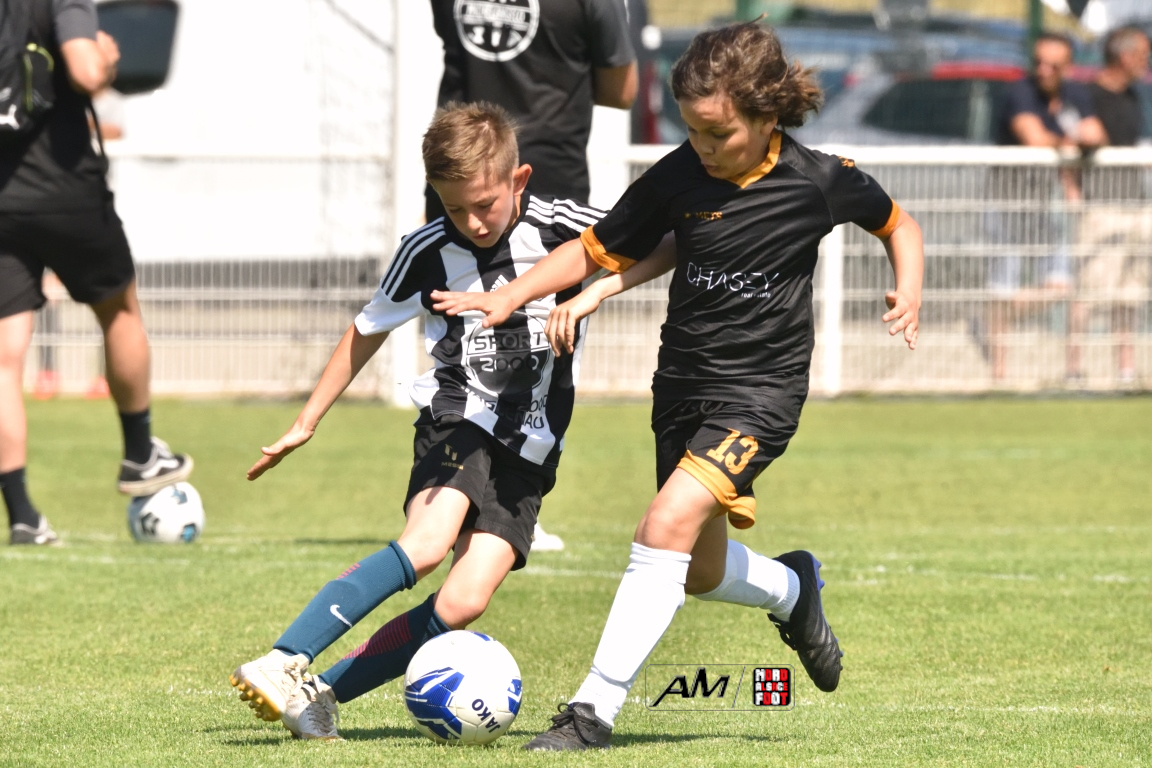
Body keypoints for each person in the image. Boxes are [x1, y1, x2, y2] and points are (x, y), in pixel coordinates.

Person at [432, 21, 923, 750]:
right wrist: (514, 294)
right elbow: (593, 249)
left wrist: (908, 288)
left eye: (717, 132)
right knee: (698, 570)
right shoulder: (677, 175)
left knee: (662, 526)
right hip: (681, 387)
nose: (701, 145)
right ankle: (793, 590)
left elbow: (898, 224)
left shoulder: (819, 179)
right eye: (691, 129)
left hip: (761, 395)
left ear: (767, 116)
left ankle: (592, 711)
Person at [229, 102, 675, 740]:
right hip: (457, 416)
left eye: (484, 204)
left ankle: (320, 696)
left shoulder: (565, 227)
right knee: (427, 544)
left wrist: (596, 290)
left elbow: (668, 243)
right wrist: (307, 420)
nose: (471, 222)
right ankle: (284, 658)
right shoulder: (426, 249)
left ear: (518, 180)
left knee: (464, 600)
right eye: (453, 206)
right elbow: (366, 328)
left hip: (533, 445)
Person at [429, 0, 639, 551]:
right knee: (541, 356)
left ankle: (457, 494)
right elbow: (622, 90)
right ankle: (506, 501)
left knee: (462, 351)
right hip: (547, 178)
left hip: (461, 187)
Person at [0, 0, 191, 546]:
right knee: (119, 310)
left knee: (4, 358)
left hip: (1, 200)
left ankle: (22, 516)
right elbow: (85, 71)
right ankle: (140, 452)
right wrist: (105, 57)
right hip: (65, 191)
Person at [985, 32, 1107, 382]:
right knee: (1002, 284)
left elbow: (1096, 134)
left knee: (1061, 284)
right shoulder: (1020, 92)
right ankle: (999, 375)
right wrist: (1071, 141)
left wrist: (1079, 144)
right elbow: (1034, 138)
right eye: (1038, 62)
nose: (1043, 71)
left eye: (1053, 65)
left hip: (1043, 204)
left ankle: (1003, 314)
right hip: (1005, 202)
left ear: (1067, 67)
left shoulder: (1075, 95)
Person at [1069, 26, 1152, 383]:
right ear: (1125, 56)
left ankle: (1126, 370)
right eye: (1143, 55)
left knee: (1131, 292)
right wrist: (1074, 194)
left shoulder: (1134, 96)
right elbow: (1073, 144)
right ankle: (1074, 370)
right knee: (1089, 290)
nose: (1146, 62)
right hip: (1102, 207)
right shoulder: (1087, 95)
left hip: (1137, 206)